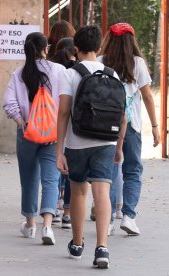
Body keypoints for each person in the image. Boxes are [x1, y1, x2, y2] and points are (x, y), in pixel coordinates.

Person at [56, 25, 126, 269]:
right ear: (99, 48)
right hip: (106, 141)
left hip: (78, 142)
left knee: (78, 192)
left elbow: (64, 112)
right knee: (102, 193)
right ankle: (103, 247)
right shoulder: (113, 75)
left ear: (76, 48)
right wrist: (119, 146)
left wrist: (59, 150)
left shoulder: (70, 74)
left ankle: (77, 243)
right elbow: (122, 115)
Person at [3, 32, 65, 245]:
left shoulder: (19, 73)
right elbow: (67, 102)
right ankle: (47, 225)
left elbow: (9, 104)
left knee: (29, 178)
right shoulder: (59, 71)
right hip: (53, 133)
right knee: (51, 179)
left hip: (28, 133)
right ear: (45, 48)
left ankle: (30, 224)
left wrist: (23, 123)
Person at [99, 22, 160, 235]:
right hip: (132, 125)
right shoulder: (138, 63)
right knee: (132, 169)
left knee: (108, 171)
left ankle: (107, 221)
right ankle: (128, 216)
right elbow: (148, 97)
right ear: (131, 41)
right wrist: (155, 126)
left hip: (104, 125)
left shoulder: (100, 62)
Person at [47, 21, 76, 225]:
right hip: (74, 126)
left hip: (51, 121)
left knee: (54, 164)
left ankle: (54, 204)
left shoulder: (49, 65)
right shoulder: (75, 68)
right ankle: (67, 212)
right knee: (71, 169)